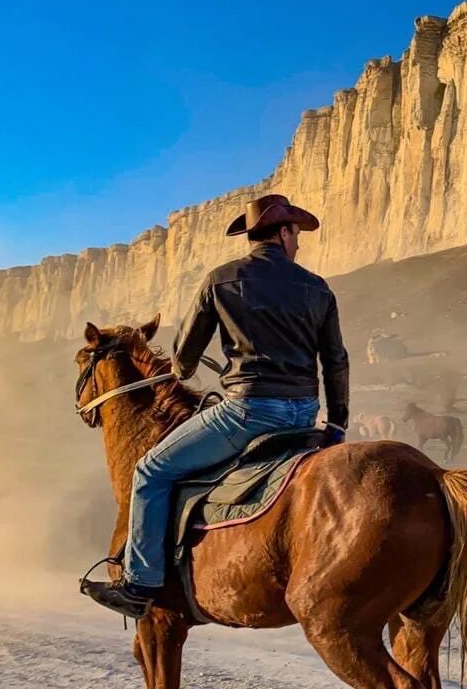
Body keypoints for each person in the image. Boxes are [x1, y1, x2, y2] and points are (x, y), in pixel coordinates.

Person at [83, 194, 350, 618]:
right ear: (282, 233)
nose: (297, 242)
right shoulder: (316, 287)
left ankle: (140, 583)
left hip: (247, 413)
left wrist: (194, 366)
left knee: (150, 471)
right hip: (304, 414)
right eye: (296, 234)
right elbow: (335, 360)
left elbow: (184, 359)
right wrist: (336, 424)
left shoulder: (221, 280)